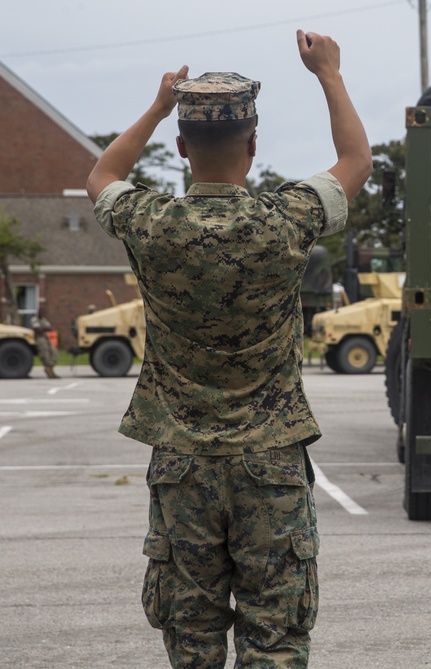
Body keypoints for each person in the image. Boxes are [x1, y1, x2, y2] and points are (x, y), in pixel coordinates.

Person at [86, 30, 371, 668]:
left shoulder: (151, 223)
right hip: (270, 462)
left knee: (192, 642)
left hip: (182, 465)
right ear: (253, 143)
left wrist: (159, 106)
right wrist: (328, 72)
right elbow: (356, 162)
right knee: (276, 641)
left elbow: (102, 174)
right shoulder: (286, 220)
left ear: (182, 148)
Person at [30, 306, 59, 378]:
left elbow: (50, 328)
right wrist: (45, 328)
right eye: (40, 311)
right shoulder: (34, 320)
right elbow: (37, 329)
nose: (41, 313)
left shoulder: (44, 320)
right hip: (39, 338)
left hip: (46, 337)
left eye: (43, 312)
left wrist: (44, 329)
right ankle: (47, 368)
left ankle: (50, 368)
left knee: (54, 352)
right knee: (44, 352)